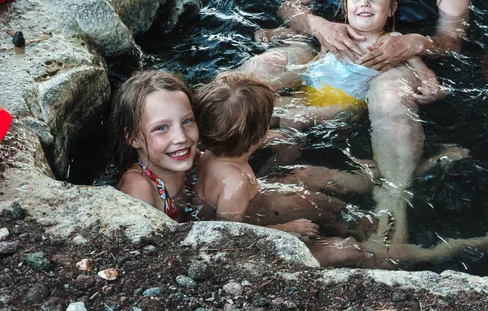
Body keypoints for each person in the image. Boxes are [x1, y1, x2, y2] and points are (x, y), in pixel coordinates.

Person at [240, 0, 469, 245]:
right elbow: (291, 5)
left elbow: (452, 39)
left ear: (391, 6)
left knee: (389, 95)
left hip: (387, 62)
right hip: (323, 51)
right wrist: (317, 25)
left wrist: (418, 43)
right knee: (264, 68)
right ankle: (217, 141)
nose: (366, 4)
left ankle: (393, 194)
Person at [193, 71, 488, 269]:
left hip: (262, 199)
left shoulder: (212, 154)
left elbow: (233, 155)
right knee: (362, 250)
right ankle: (452, 247)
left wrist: (262, 140)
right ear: (255, 135)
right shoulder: (234, 183)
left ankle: (398, 175)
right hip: (266, 226)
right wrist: (285, 231)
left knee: (314, 179)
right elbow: (229, 233)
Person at [112, 70, 199, 221]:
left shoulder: (194, 159)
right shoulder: (139, 191)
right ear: (133, 138)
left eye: (187, 121)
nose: (181, 137)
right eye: (161, 128)